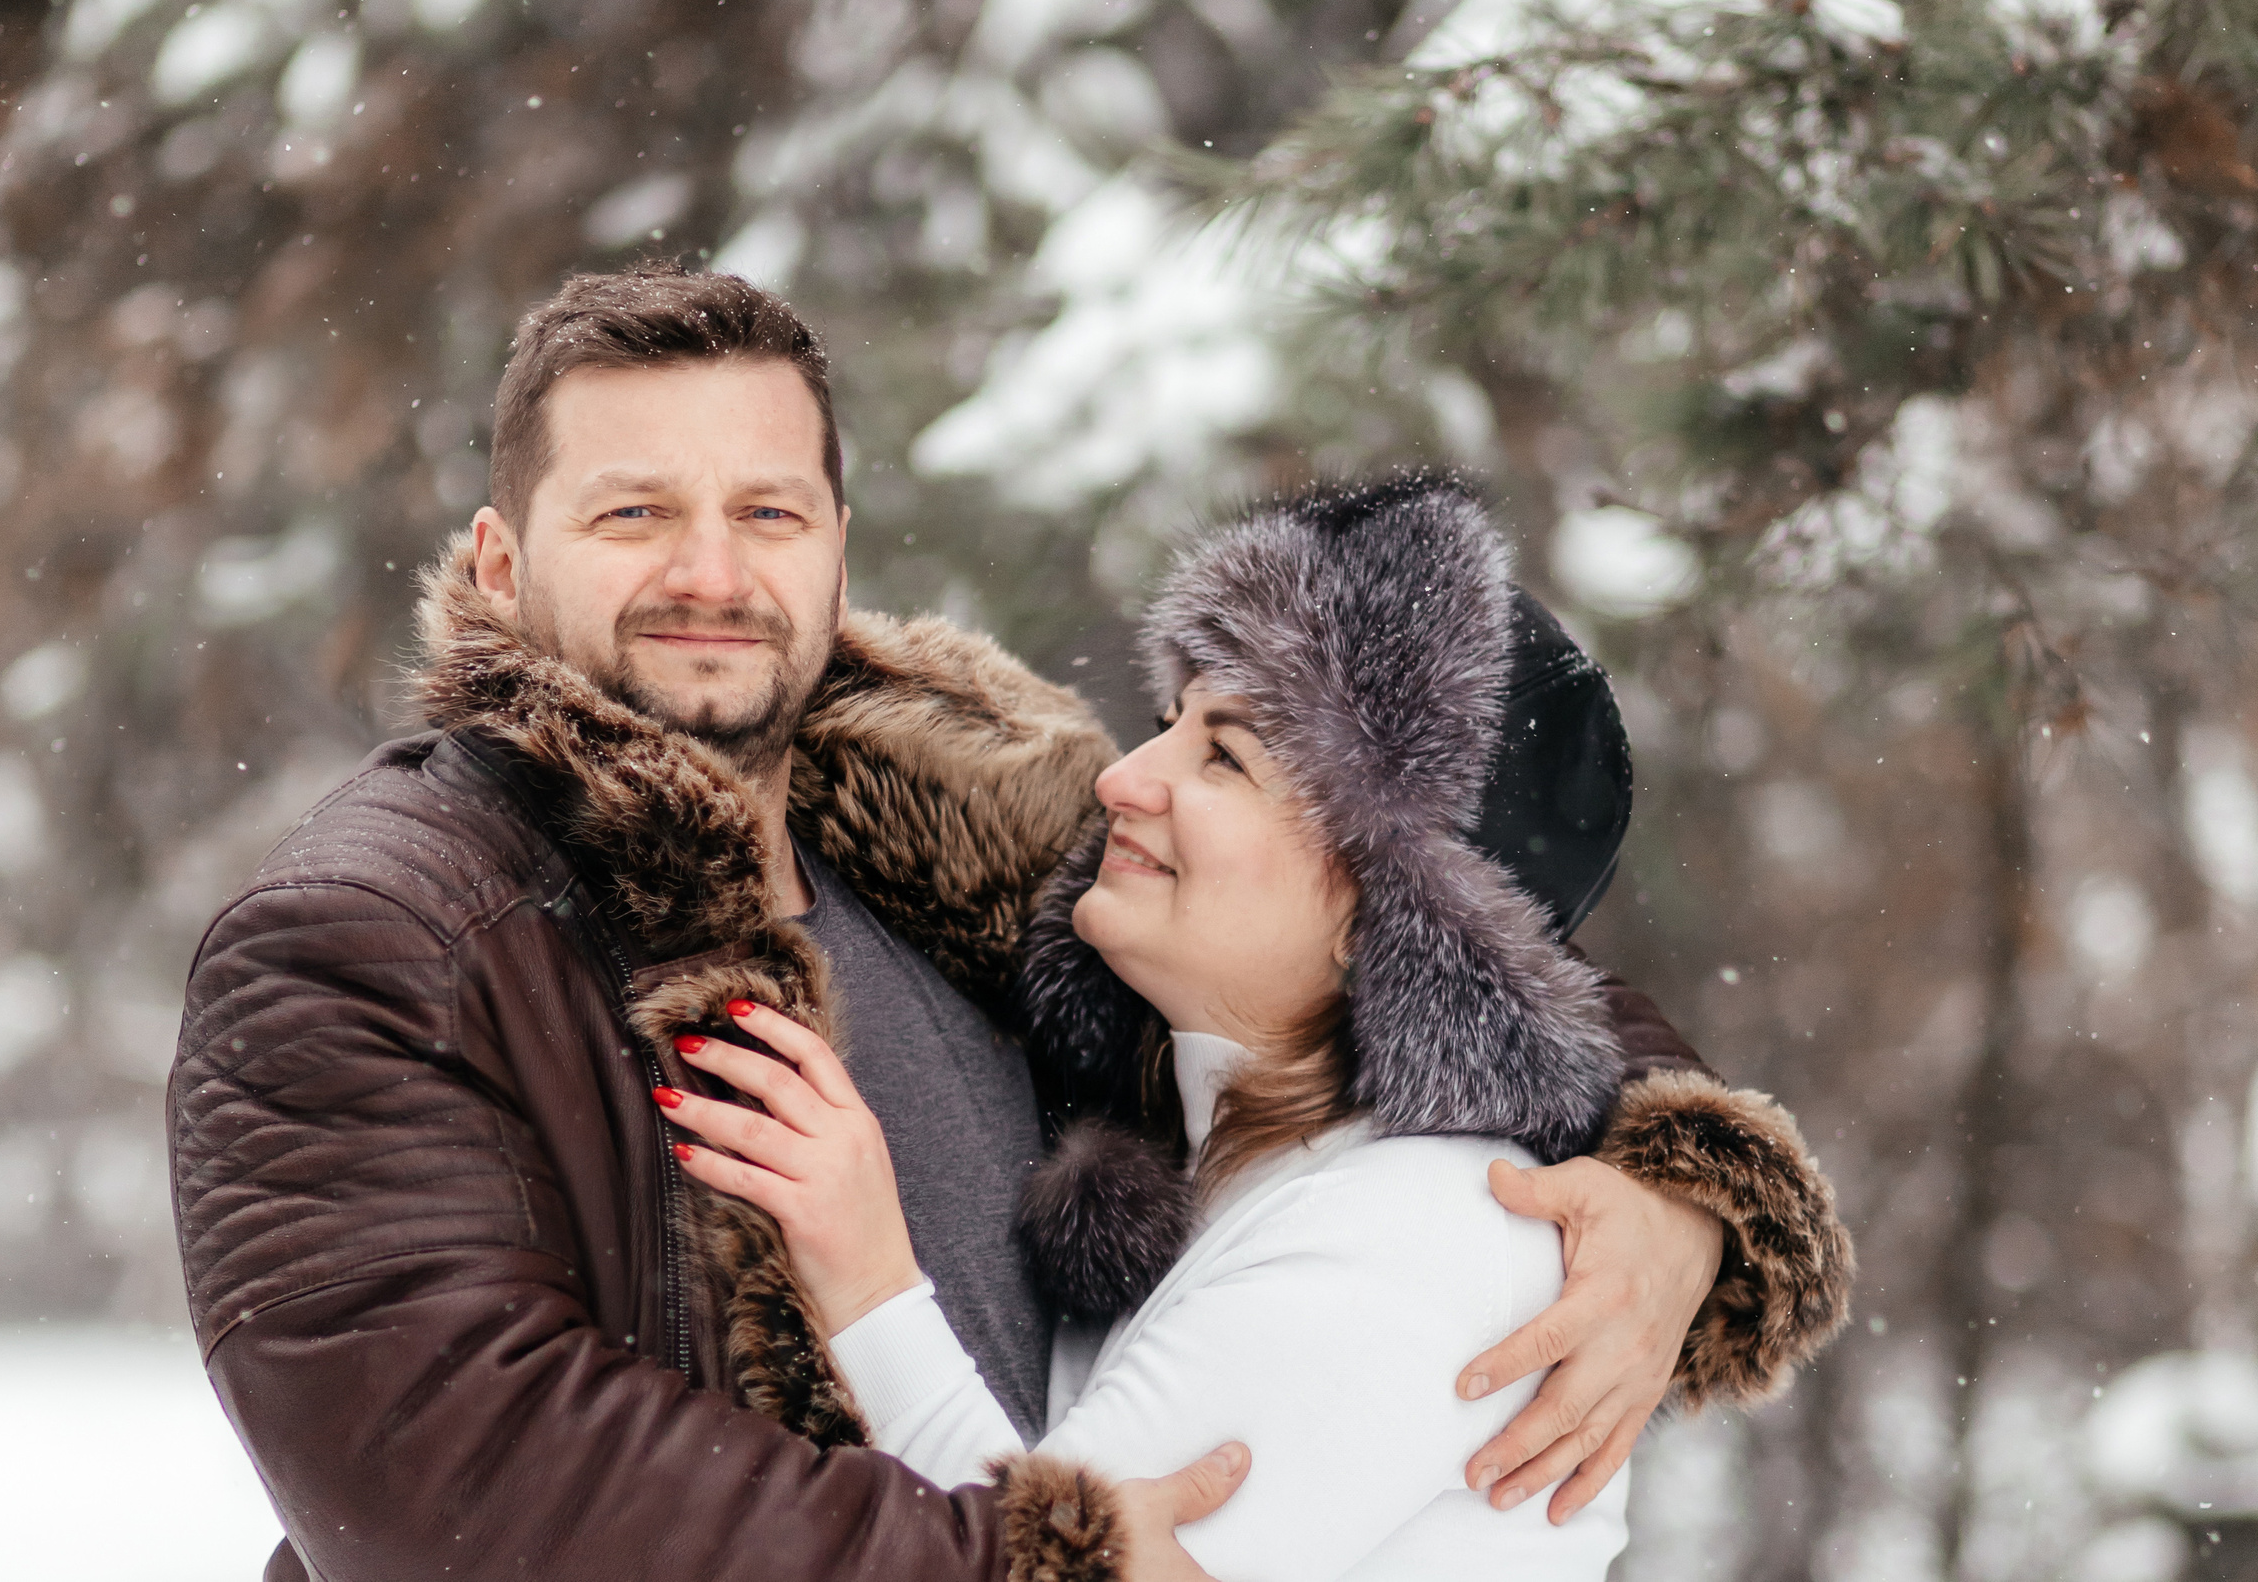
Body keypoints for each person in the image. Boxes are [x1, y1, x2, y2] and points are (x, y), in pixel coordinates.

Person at [171, 266, 1849, 1581]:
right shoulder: (378, 934)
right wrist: (1014, 1563)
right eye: (631, 511)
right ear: (499, 554)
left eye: (767, 510)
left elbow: (1457, 927)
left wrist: (1668, 1180)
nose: (709, 569)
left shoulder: (988, 869)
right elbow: (466, 1496)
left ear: (838, 550)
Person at [654, 479, 1854, 1577]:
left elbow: (1024, 1557)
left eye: (1223, 755)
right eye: (1172, 716)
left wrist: (866, 1278)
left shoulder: (1426, 1239)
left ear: (1380, 915)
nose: (1126, 775)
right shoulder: (1208, 1168)